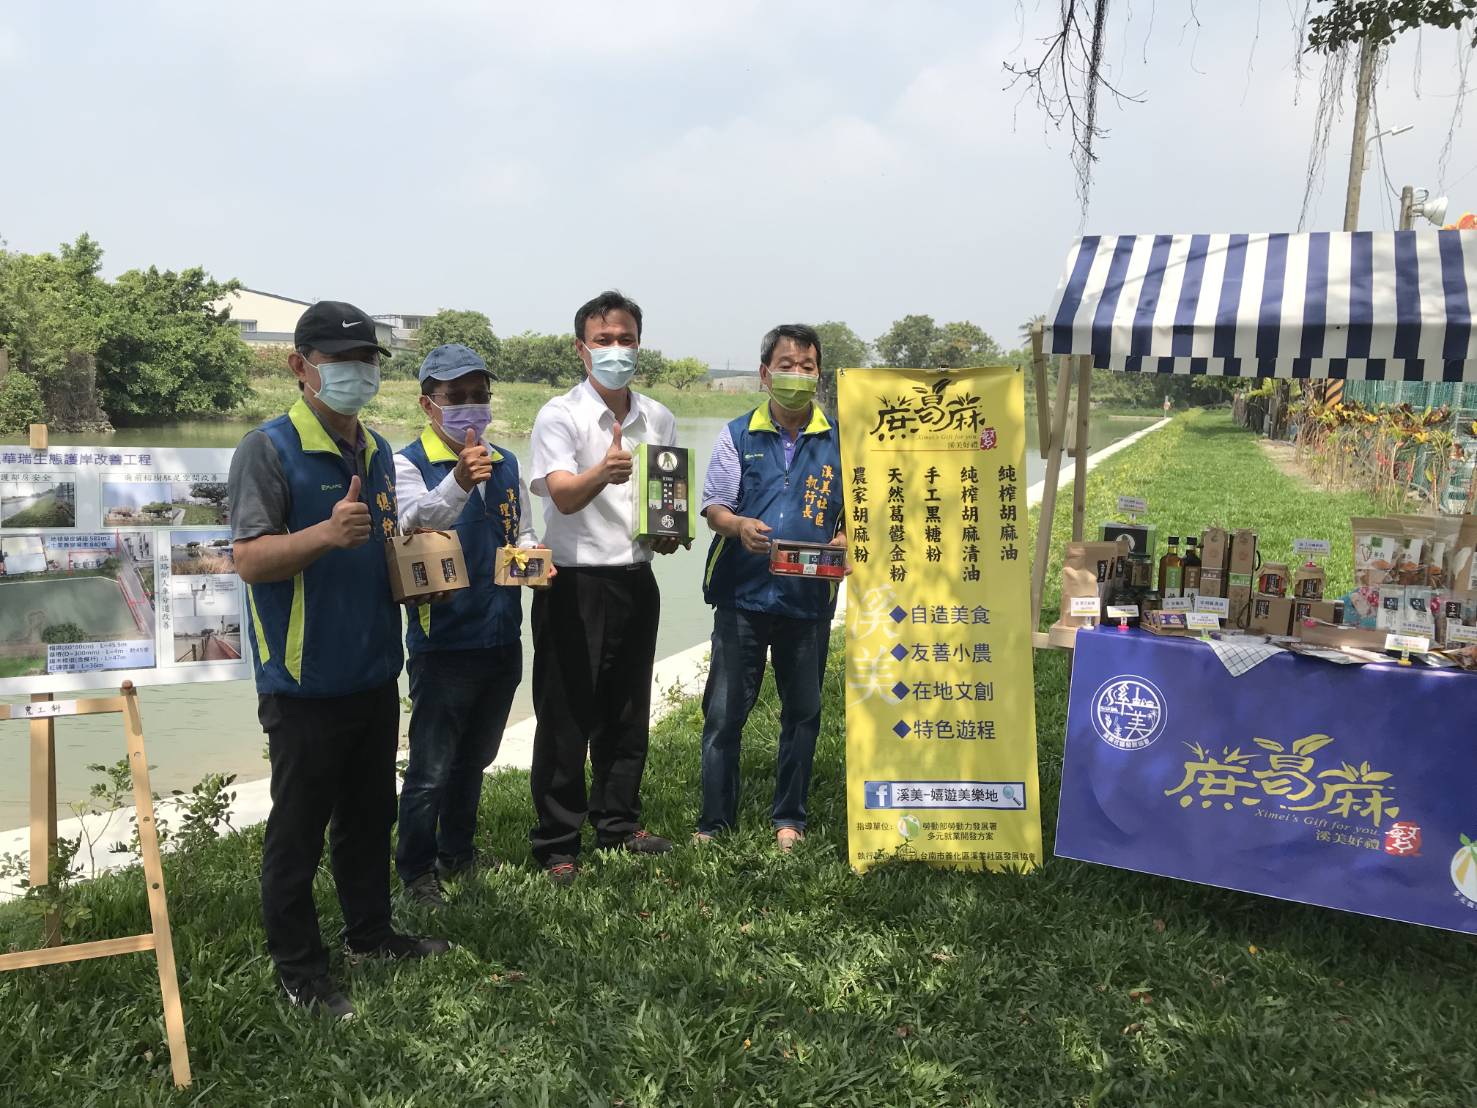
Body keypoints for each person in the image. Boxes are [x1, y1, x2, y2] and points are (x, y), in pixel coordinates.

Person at [228, 300, 448, 1020]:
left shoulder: (380, 452)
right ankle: (300, 969)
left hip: (374, 669)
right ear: (300, 366)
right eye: (339, 360)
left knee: (367, 815)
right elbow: (250, 559)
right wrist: (323, 534)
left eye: (367, 361)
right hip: (302, 680)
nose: (357, 373)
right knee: (297, 830)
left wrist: (419, 578)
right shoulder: (266, 449)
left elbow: (383, 544)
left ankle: (371, 934)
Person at [526, 290, 681, 884]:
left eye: (625, 339)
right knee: (565, 714)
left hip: (636, 578)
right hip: (574, 584)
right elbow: (562, 494)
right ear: (581, 349)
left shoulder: (658, 417)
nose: (615, 350)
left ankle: (618, 823)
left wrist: (668, 535)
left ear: (639, 344)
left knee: (626, 709)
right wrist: (604, 470)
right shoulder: (559, 415)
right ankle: (557, 841)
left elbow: (664, 505)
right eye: (603, 340)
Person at [393, 343, 547, 908]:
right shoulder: (407, 462)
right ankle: (415, 869)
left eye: (479, 397)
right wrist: (458, 478)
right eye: (456, 398)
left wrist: (536, 561)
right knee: (431, 766)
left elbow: (522, 534)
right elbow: (411, 526)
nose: (470, 409)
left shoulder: (507, 462)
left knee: (476, 757)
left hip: (503, 633)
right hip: (444, 641)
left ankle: (457, 850)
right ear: (428, 404)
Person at [695, 324, 845, 851]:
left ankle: (790, 818)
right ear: (765, 374)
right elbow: (714, 506)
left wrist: (845, 538)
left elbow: (859, 513)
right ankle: (714, 822)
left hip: (809, 601)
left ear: (818, 374)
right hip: (744, 596)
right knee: (724, 714)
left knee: (802, 713)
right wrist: (737, 526)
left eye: (807, 366)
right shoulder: (737, 434)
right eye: (787, 364)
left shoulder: (842, 441)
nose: (797, 375)